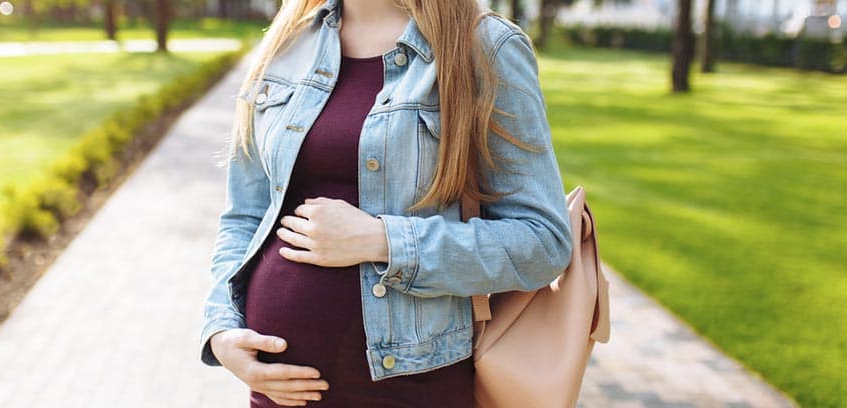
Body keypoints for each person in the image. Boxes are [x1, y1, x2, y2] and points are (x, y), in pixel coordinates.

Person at [199, 0, 573, 406]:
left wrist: (383, 241)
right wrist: (221, 328)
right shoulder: (288, 42)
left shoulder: (483, 47)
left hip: (408, 390)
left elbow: (543, 240)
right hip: (278, 389)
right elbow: (246, 215)